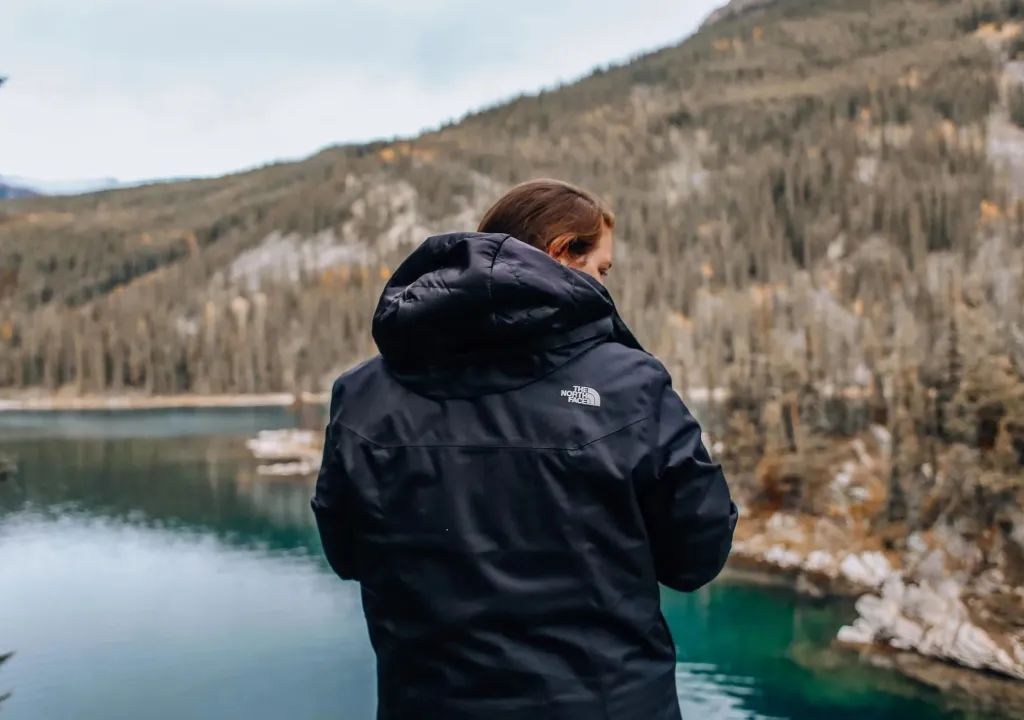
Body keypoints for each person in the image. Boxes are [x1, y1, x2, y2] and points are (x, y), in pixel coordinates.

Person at [312, 179, 738, 720]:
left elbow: (347, 554)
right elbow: (696, 554)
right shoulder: (629, 384)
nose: (606, 285)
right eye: (602, 269)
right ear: (562, 251)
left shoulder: (363, 394)